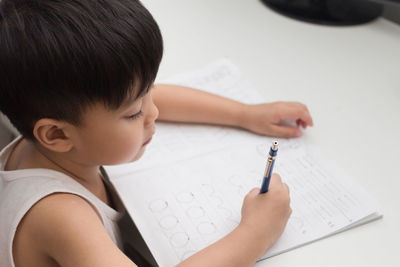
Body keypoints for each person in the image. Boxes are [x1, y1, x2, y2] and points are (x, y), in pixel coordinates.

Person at [0, 0, 313, 266]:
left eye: (146, 94)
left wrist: (246, 114)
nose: (154, 112)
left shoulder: (51, 140)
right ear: (57, 135)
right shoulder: (61, 215)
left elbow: (155, 96)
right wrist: (257, 232)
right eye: (135, 112)